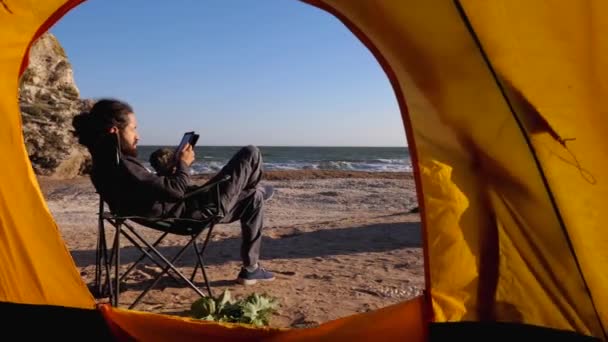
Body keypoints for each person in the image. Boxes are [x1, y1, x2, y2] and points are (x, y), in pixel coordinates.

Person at [72, 98, 274, 285]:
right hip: (194, 214)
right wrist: (184, 164)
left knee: (255, 198)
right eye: (133, 129)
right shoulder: (124, 167)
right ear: (115, 131)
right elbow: (175, 191)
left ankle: (251, 267)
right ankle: (253, 194)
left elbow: (155, 189)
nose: (138, 136)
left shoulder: (105, 166)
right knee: (251, 153)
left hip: (184, 208)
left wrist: (171, 171)